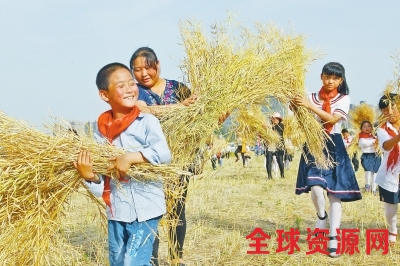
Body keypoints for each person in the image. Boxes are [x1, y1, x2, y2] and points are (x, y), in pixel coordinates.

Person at [74, 63, 171, 265]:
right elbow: (102, 178)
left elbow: (163, 154)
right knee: (118, 261)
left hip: (146, 210)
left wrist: (131, 157)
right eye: (121, 85)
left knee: (133, 262)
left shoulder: (147, 121)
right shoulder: (99, 131)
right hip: (117, 211)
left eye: (131, 83)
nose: (129, 89)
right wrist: (89, 176)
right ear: (104, 95)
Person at [130, 47, 196, 266]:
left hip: (178, 158)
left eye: (147, 67)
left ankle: (177, 259)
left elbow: (196, 113)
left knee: (177, 209)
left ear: (157, 64)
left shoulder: (178, 88)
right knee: (151, 214)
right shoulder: (134, 91)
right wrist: (180, 108)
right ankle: (152, 261)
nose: (143, 74)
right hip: (149, 160)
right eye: (137, 70)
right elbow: (143, 110)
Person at [291, 62, 362, 258]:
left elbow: (331, 120)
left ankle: (333, 237)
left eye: (335, 78)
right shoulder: (311, 97)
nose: (331, 81)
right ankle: (321, 215)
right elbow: (302, 118)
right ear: (321, 76)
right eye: (327, 76)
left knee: (334, 193)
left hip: (334, 144)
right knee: (315, 187)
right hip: (314, 143)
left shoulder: (343, 98)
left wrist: (308, 105)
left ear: (341, 80)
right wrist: (297, 107)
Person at [375, 93, 400, 245]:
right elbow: (386, 147)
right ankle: (392, 229)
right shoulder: (382, 129)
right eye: (385, 110)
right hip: (391, 174)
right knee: (391, 207)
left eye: (393, 108)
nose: (389, 112)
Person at [358, 121, 382, 195]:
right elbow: (363, 144)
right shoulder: (361, 137)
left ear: (372, 128)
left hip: (376, 156)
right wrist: (374, 140)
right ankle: (368, 185)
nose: (367, 128)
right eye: (364, 126)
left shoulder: (374, 136)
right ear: (361, 128)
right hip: (367, 156)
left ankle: (374, 189)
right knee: (368, 171)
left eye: (369, 126)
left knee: (375, 173)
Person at [265, 112, 285, 179]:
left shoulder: (281, 125)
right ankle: (269, 176)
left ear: (279, 120)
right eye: (274, 118)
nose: (275, 120)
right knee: (269, 161)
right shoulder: (268, 126)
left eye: (277, 119)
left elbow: (277, 130)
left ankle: (282, 174)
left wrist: (268, 127)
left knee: (280, 161)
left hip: (279, 145)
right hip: (270, 145)